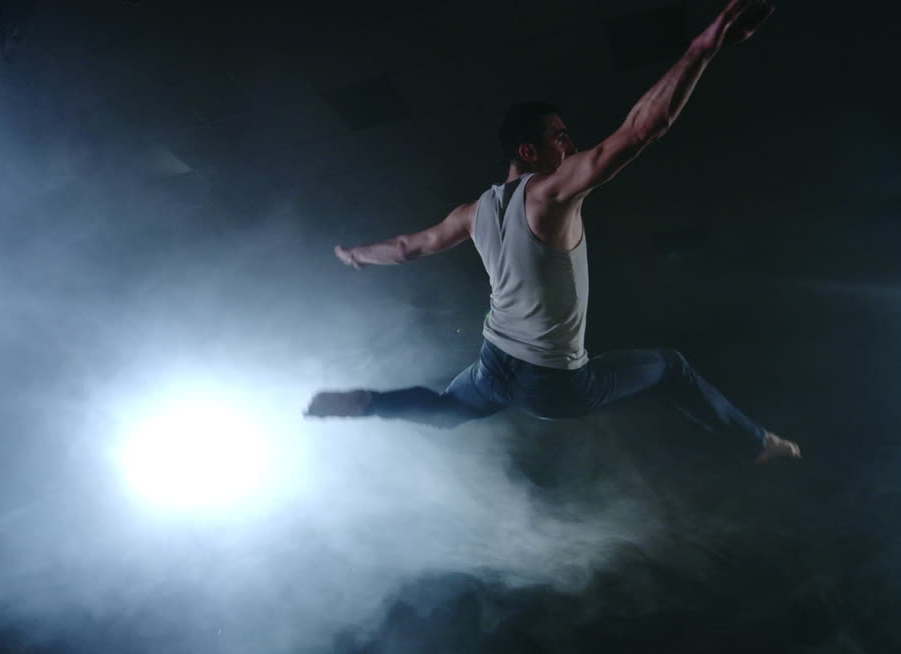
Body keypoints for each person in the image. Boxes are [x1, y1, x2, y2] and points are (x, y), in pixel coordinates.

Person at [306, 0, 800, 464]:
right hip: (552, 384)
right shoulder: (550, 192)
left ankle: (370, 403)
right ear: (529, 152)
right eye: (560, 136)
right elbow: (641, 130)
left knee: (449, 409)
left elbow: (405, 248)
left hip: (494, 363)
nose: (571, 147)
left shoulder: (472, 212)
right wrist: (703, 47)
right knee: (670, 367)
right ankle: (754, 444)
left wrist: (357, 255)